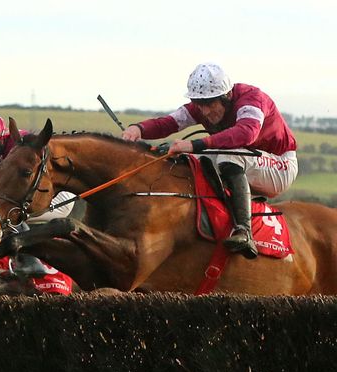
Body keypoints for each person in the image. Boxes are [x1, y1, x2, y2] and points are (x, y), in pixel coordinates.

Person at [121, 63, 298, 259]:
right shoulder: (202, 107)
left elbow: (247, 133)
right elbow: (169, 123)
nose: (204, 111)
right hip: (249, 161)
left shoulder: (252, 98)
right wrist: (138, 129)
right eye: (199, 104)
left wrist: (194, 144)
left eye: (209, 104)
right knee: (188, 159)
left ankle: (244, 232)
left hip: (280, 165)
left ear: (227, 96)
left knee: (227, 155)